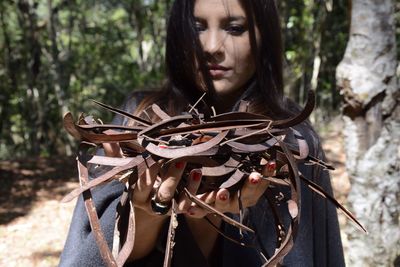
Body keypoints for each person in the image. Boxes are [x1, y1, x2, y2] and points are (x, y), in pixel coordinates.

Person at [59, 0, 345, 266]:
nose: (211, 47)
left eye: (235, 28)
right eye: (197, 27)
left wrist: (209, 219)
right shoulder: (139, 119)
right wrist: (147, 211)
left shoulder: (292, 140)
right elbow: (96, 255)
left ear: (264, 37)